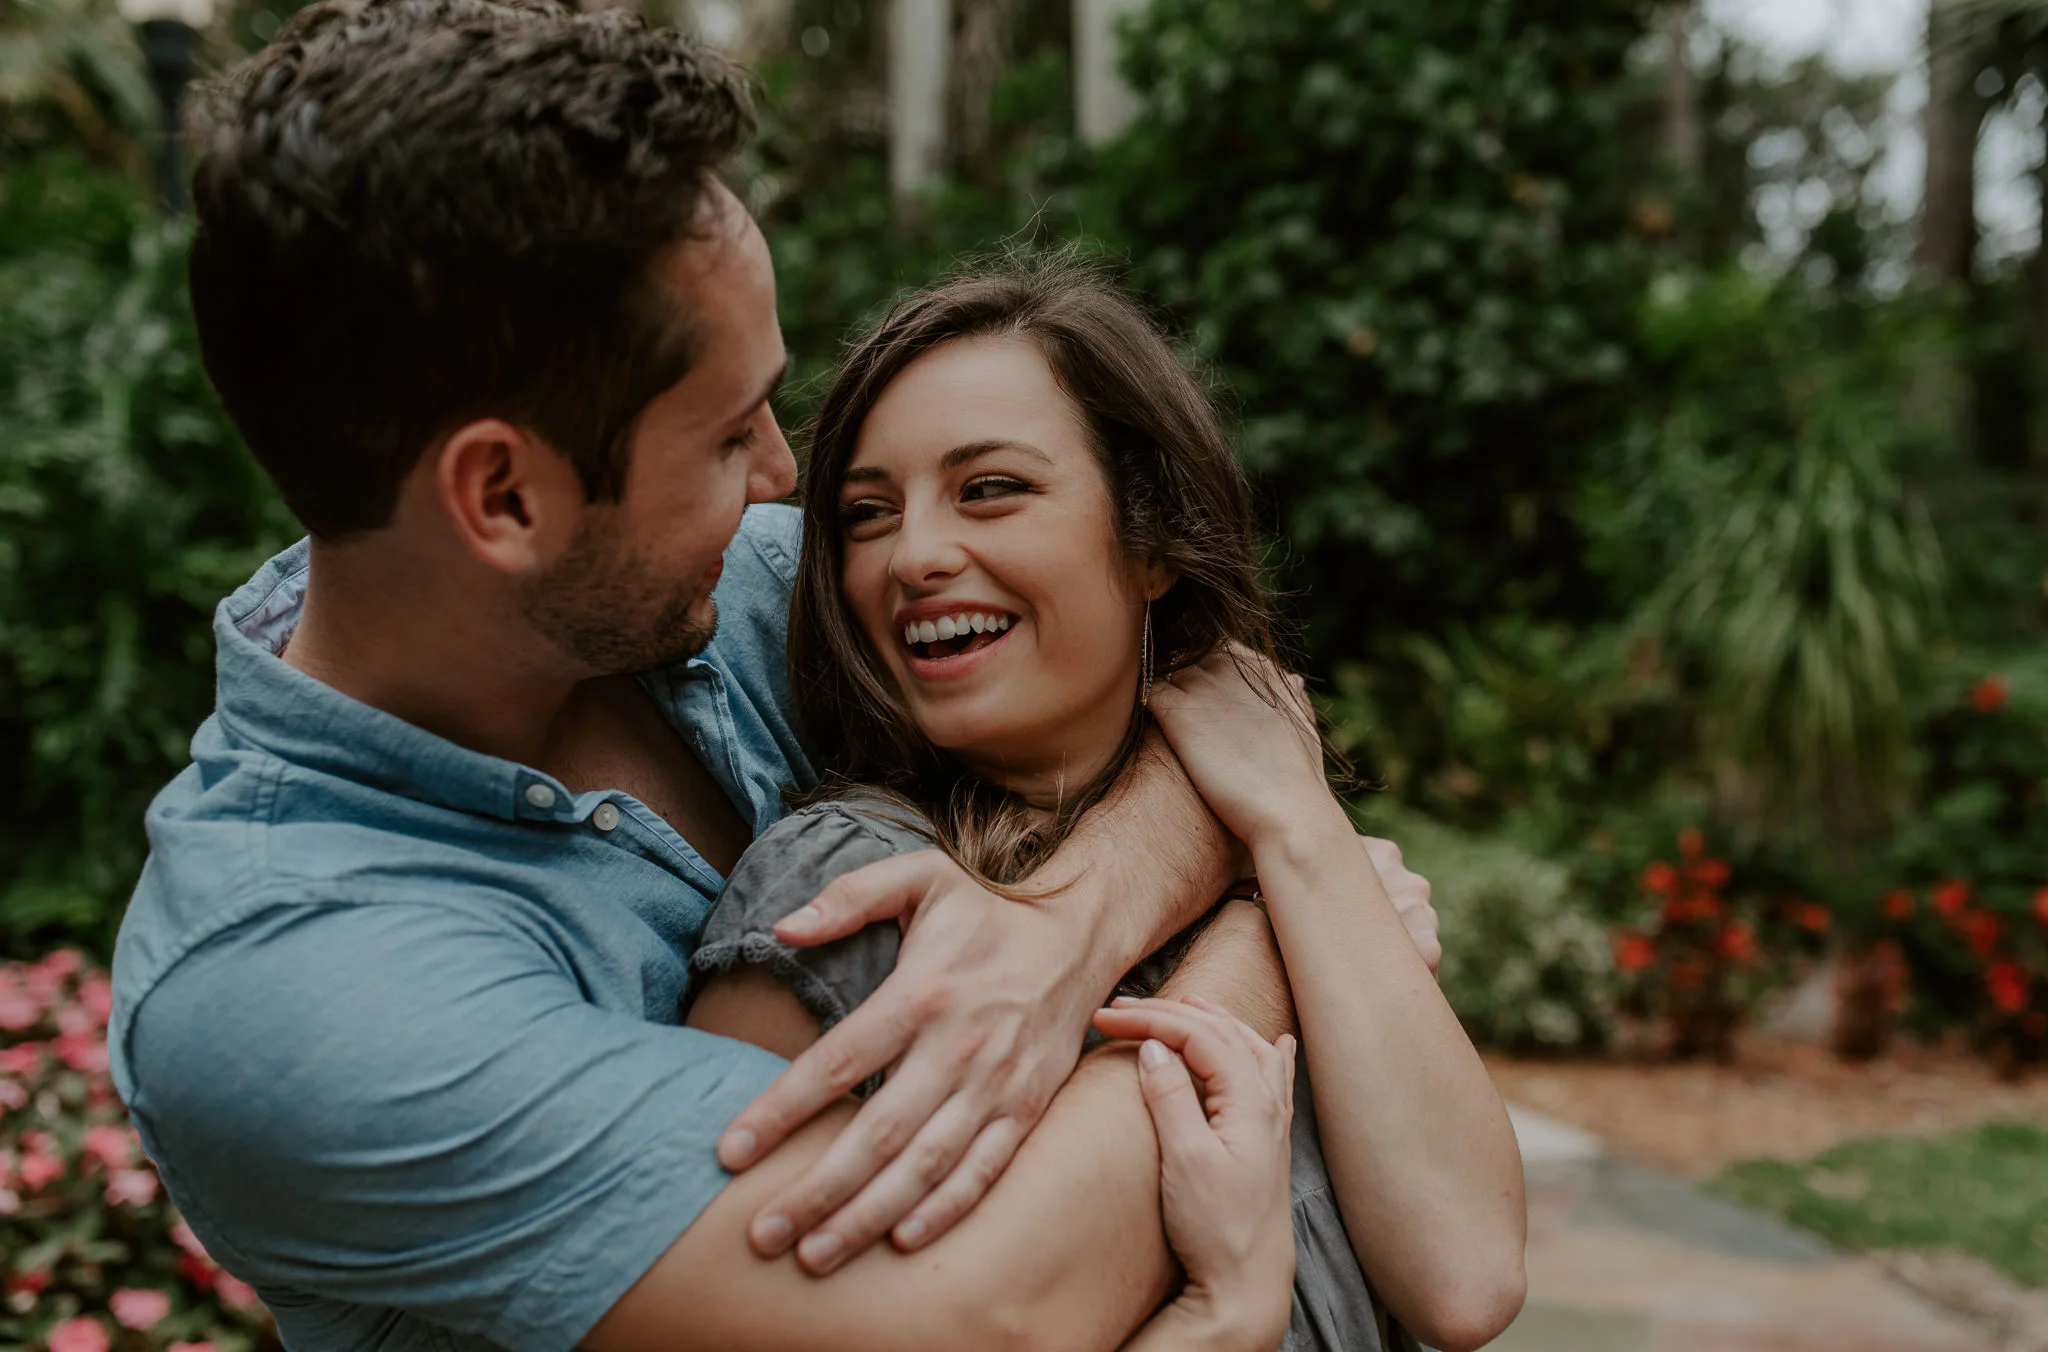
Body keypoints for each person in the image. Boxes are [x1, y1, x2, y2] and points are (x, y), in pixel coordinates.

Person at [106, 2, 1467, 1350]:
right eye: (725, 433)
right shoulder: (289, 985)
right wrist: (1265, 941)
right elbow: (989, 1313)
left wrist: (1069, 925)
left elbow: (1211, 689)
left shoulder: (726, 587)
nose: (785, 479)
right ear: (504, 497)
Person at [682, 262, 1528, 1351]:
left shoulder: (1292, 868)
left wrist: (1292, 816)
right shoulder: (847, 891)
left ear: (1153, 544)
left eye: (989, 487)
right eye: (865, 513)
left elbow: (1463, 1275)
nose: (915, 556)